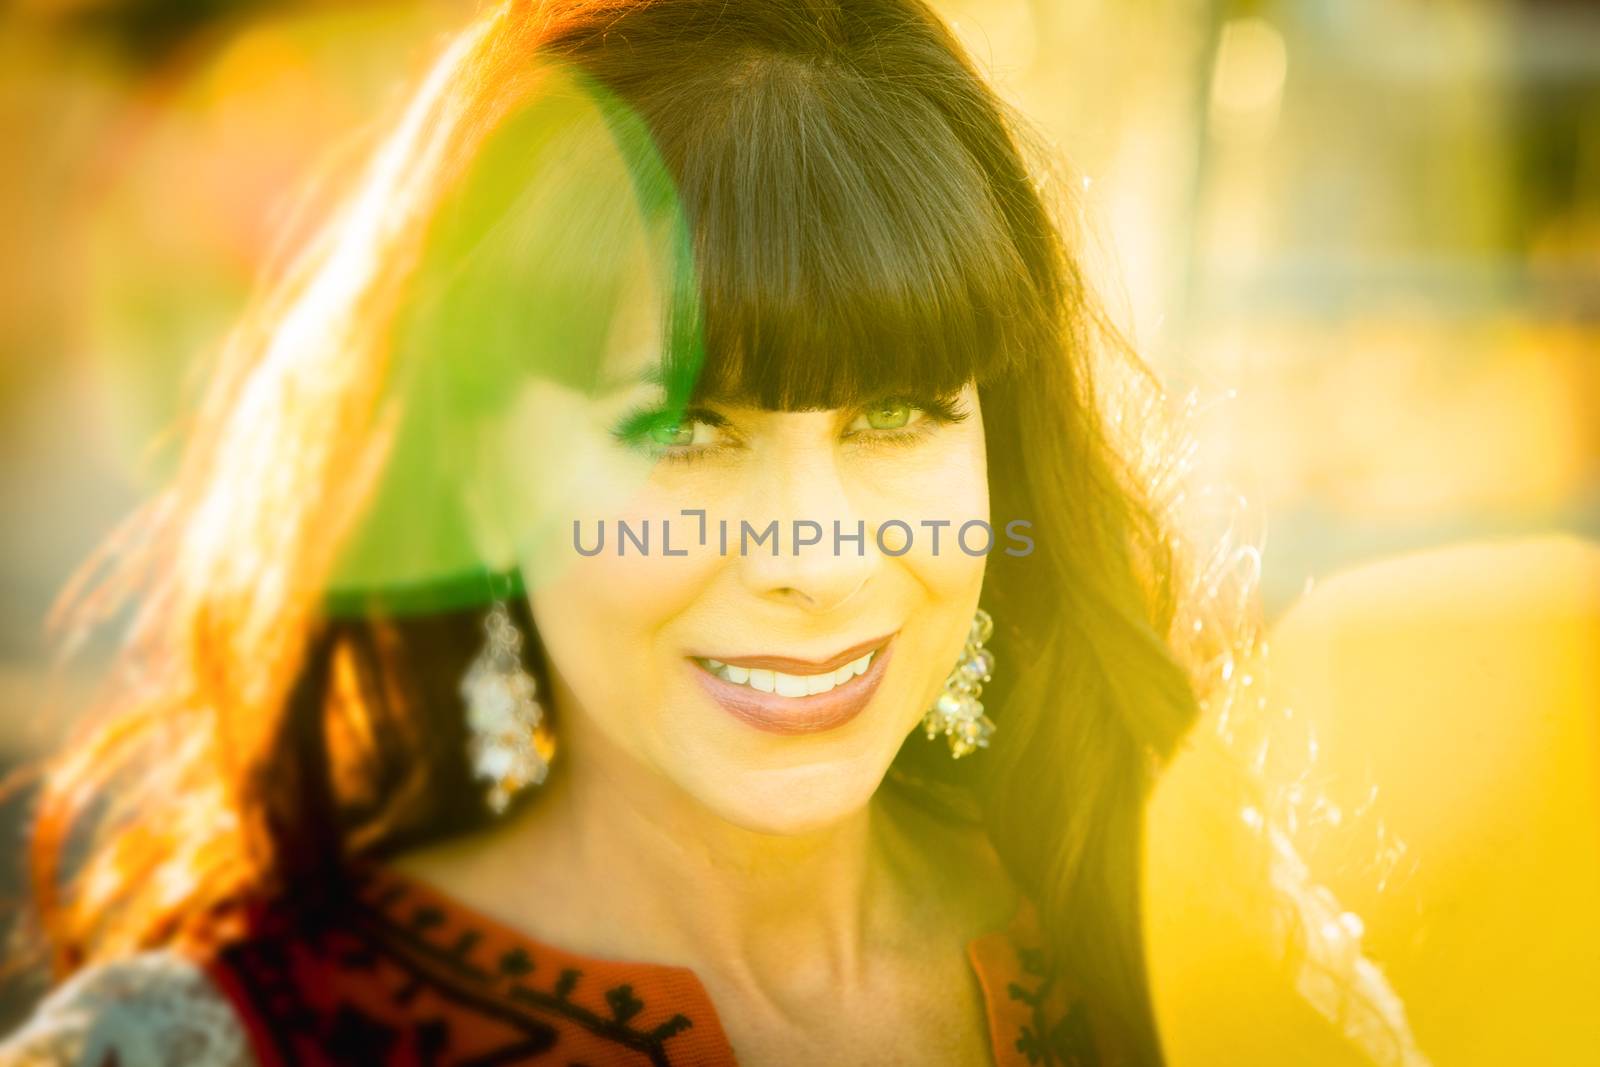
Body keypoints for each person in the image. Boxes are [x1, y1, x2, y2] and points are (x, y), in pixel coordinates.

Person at [0, 1, 1368, 1064]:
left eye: (898, 413)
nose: (816, 557)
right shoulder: (216, 1045)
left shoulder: (1190, 947)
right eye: (681, 431)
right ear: (477, 473)